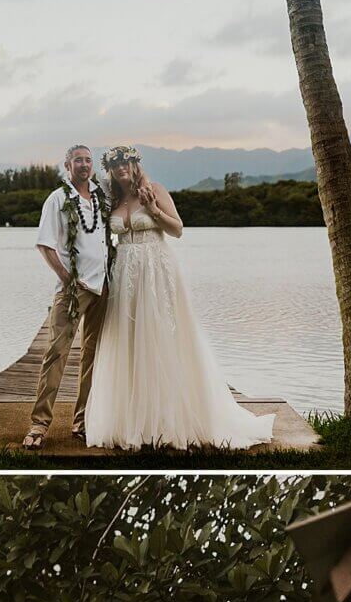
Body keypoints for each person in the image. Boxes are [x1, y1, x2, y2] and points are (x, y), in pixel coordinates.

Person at [83, 145, 276, 452]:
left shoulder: (154, 189)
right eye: (116, 163)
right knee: (129, 342)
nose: (121, 167)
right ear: (111, 169)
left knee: (161, 338)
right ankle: (134, 419)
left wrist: (154, 210)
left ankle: (169, 418)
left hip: (156, 270)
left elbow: (177, 229)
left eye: (125, 161)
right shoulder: (113, 201)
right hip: (125, 274)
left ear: (134, 164)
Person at [23, 143, 110, 451]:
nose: (84, 165)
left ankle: (82, 420)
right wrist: (66, 278)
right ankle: (39, 423)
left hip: (103, 288)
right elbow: (45, 245)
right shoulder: (58, 199)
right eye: (78, 160)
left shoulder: (101, 197)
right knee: (56, 353)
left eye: (88, 160)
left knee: (92, 355)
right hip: (73, 291)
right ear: (68, 166)